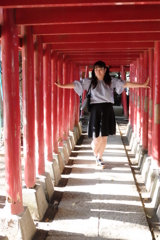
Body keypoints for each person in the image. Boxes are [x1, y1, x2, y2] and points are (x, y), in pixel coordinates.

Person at [55, 60, 149, 169]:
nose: (98, 71)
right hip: (95, 110)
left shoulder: (111, 81)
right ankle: (96, 154)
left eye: (100, 69)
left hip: (108, 109)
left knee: (104, 138)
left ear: (105, 70)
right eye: (95, 69)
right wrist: (62, 86)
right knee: (97, 139)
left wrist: (142, 85)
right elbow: (76, 84)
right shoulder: (89, 81)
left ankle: (99, 158)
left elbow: (126, 83)